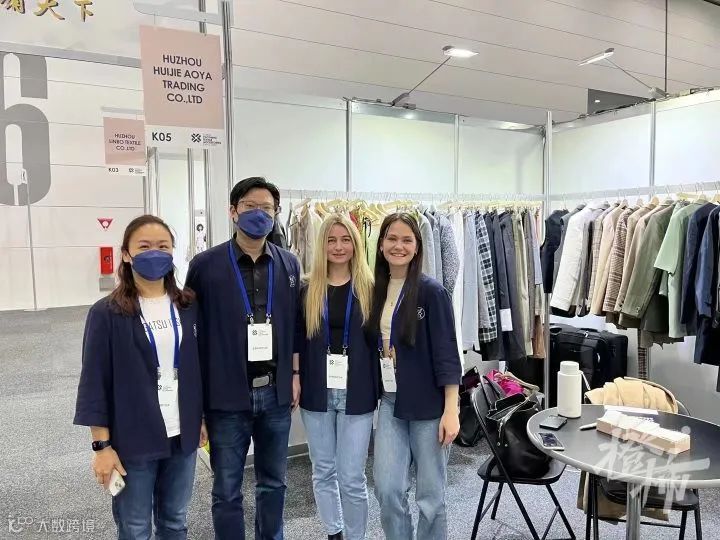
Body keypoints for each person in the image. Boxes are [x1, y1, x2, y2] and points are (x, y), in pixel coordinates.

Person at [74, 214, 205, 540]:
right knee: (134, 528)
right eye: (144, 247)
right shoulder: (106, 313)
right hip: (133, 437)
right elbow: (94, 382)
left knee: (175, 521)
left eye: (163, 246)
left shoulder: (188, 305)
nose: (154, 253)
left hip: (183, 434)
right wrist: (101, 446)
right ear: (126, 254)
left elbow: (197, 367)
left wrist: (200, 417)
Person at [185, 177, 302, 540]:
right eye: (250, 206)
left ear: (276, 214)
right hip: (225, 396)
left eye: (266, 208)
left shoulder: (289, 264)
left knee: (274, 482)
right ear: (233, 211)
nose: (259, 214)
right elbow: (193, 335)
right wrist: (197, 402)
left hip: (275, 394)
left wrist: (295, 373)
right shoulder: (205, 266)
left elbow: (295, 325)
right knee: (226, 488)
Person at [369, 212, 462, 540]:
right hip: (391, 403)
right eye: (392, 238)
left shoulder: (432, 292)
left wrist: (451, 409)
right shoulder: (375, 290)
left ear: (418, 246)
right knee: (387, 489)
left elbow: (447, 353)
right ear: (381, 245)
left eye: (407, 240)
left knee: (431, 497)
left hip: (428, 407)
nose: (399, 246)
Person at [298, 214, 378, 540]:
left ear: (356, 244)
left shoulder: (370, 289)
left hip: (357, 390)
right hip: (317, 390)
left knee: (352, 477)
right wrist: (294, 377)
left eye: (345, 239)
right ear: (322, 245)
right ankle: (334, 532)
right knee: (323, 471)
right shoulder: (307, 289)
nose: (338, 246)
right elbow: (296, 341)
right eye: (331, 240)